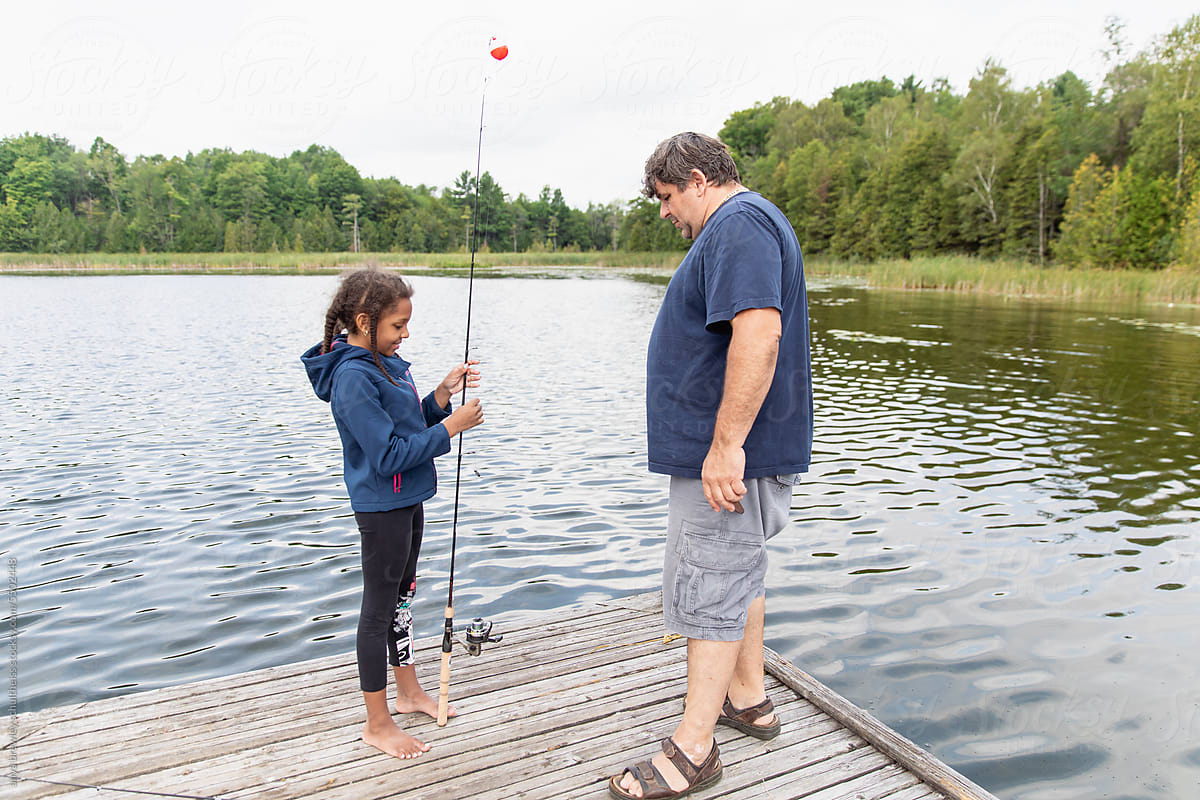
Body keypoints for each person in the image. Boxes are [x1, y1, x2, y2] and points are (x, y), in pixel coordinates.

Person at [610, 133, 813, 799]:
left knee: (713, 583)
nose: (665, 213)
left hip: (730, 455)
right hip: (737, 452)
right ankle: (747, 697)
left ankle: (694, 750)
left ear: (697, 179)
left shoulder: (739, 224)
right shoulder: (746, 222)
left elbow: (759, 330)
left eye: (667, 198)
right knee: (736, 570)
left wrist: (726, 445)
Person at [301, 268, 484, 760]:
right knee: (377, 611)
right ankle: (377, 723)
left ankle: (407, 691)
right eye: (398, 326)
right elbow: (386, 455)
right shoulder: (353, 378)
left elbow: (406, 426)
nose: (405, 335)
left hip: (408, 499)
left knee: (403, 598)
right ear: (364, 321)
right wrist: (452, 429)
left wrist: (442, 398)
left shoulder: (384, 363)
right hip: (382, 507)